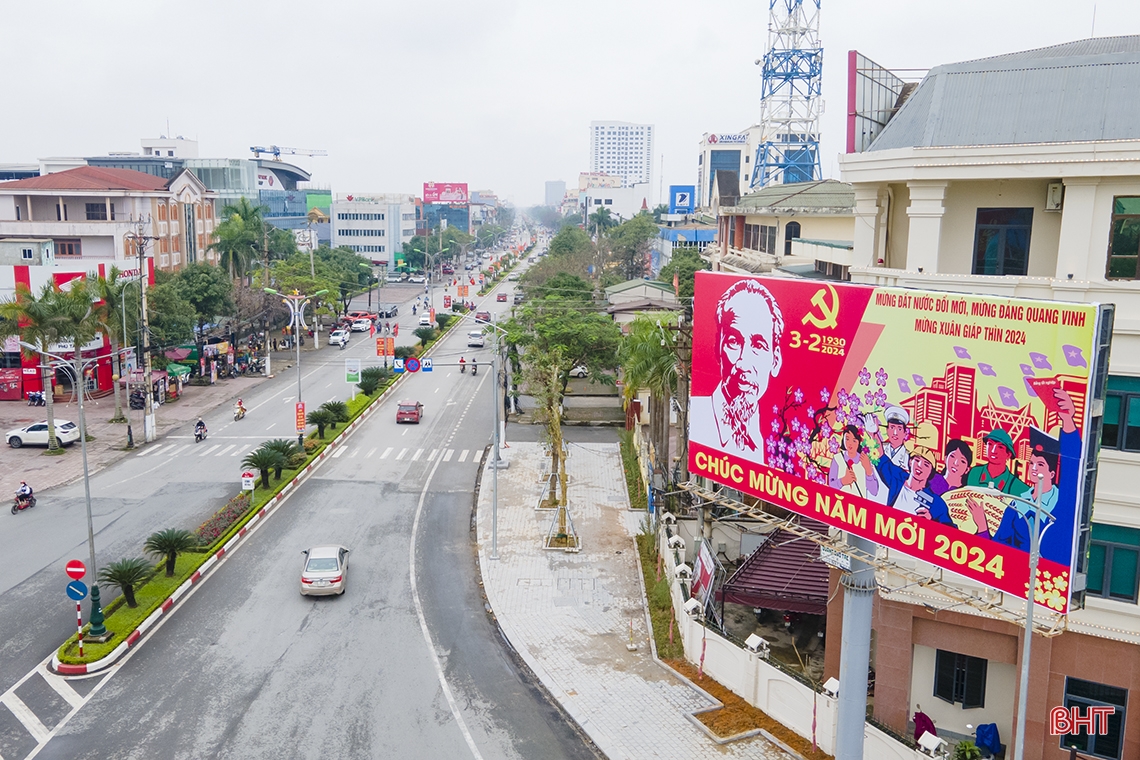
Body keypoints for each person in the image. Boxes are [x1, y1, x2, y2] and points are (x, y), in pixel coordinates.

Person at [969, 389, 1082, 565]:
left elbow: (1072, 464)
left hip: (1052, 581)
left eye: (1041, 465)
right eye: (1031, 463)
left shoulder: (1063, 501)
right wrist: (983, 526)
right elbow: (998, 548)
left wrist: (1067, 421)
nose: (1034, 469)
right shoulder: (1016, 503)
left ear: (1052, 473)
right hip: (1017, 577)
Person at [688, 279, 785, 465]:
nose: (743, 362)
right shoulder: (699, 419)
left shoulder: (770, 442)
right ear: (718, 347)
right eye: (734, 341)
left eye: (758, 345)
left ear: (775, 360)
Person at [874, 445, 956, 525]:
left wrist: (932, 522)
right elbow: (881, 457)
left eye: (926, 464)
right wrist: (873, 434)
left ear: (931, 471)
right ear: (910, 462)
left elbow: (951, 532)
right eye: (917, 460)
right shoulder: (898, 478)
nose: (919, 466)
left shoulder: (936, 502)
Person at [828, 425, 881, 501]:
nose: (850, 443)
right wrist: (843, 481)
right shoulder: (837, 458)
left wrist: (868, 470)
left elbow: (874, 491)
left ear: (859, 442)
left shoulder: (864, 460)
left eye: (854, 440)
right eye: (847, 439)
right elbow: (830, 485)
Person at [966, 428, 1023, 493]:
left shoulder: (1016, 485)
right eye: (990, 444)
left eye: (1000, 447)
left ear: (1008, 455)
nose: (993, 451)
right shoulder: (975, 472)